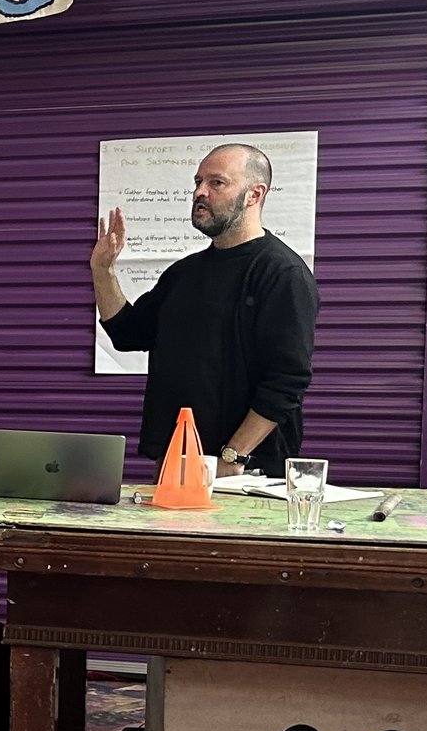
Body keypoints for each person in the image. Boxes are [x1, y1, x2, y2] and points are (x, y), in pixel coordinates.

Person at [94, 142, 320, 479]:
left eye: (216, 183)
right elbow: (127, 333)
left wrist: (232, 457)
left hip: (247, 474)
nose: (200, 192)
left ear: (254, 195)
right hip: (177, 464)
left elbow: (287, 382)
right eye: (198, 182)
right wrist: (103, 271)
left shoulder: (282, 274)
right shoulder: (183, 273)